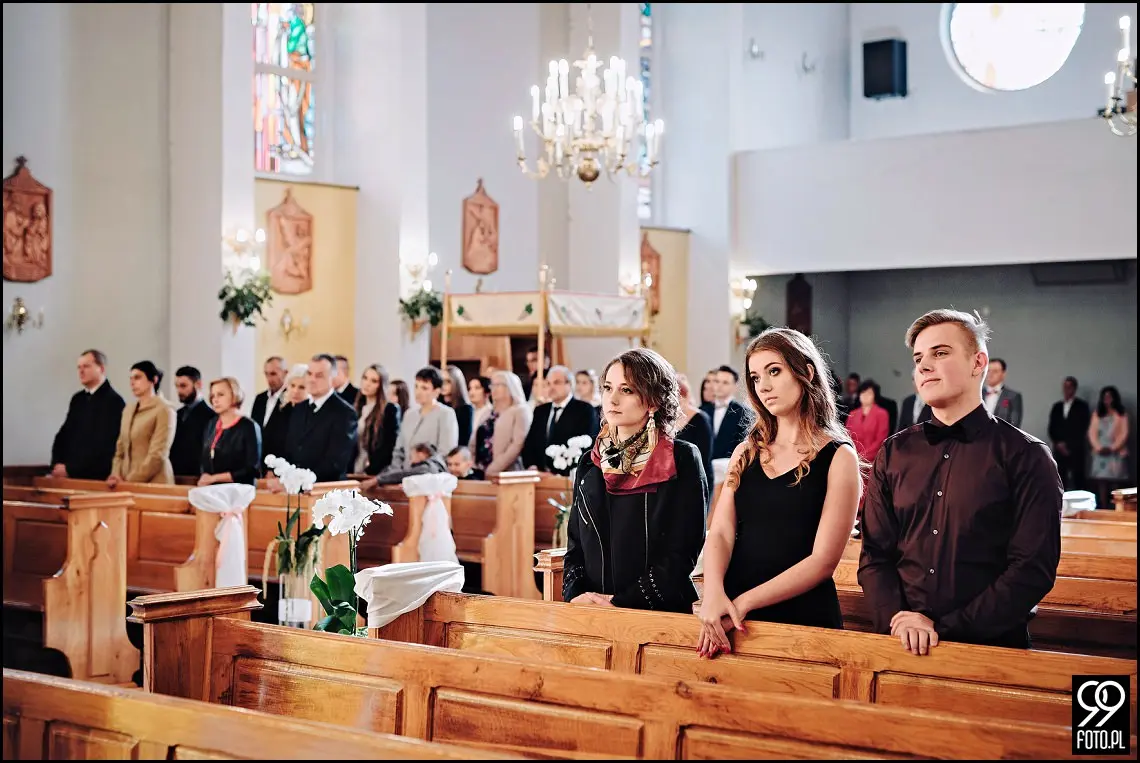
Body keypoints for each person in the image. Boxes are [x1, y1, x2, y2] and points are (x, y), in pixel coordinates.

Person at [859, 309, 1061, 654]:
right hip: (898, 645)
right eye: (918, 358)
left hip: (990, 649)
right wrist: (899, 622)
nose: (923, 366)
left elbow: (1031, 569)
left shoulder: (1027, 456)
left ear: (978, 362)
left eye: (940, 353)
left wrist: (943, 629)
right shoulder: (894, 452)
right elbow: (875, 555)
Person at [697, 329, 860, 656]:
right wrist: (714, 594)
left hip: (802, 619)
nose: (765, 386)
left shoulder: (839, 457)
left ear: (806, 372)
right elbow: (722, 531)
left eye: (775, 371)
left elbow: (822, 562)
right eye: (756, 377)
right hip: (730, 615)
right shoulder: (746, 452)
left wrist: (744, 602)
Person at [563, 348, 708, 612]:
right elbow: (575, 545)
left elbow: (682, 552)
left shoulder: (681, 458)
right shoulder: (590, 461)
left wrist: (621, 603)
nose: (612, 399)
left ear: (653, 401)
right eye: (608, 388)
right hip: (590, 609)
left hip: (656, 611)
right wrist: (577, 594)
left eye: (627, 390)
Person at [281, 354, 358, 483]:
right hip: (294, 489)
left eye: (319, 376)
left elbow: (336, 462)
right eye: (309, 374)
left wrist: (302, 479)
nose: (312, 379)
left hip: (326, 489)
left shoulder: (344, 413)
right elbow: (291, 449)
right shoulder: (299, 408)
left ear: (332, 379)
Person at [50, 349, 125, 480]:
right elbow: (64, 435)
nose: (81, 371)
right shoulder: (78, 399)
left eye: (86, 366)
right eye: (79, 367)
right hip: (68, 475)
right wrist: (57, 465)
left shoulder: (113, 402)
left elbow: (105, 446)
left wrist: (71, 469)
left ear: (101, 369)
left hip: (94, 477)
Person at [108, 361, 177, 486]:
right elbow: (120, 449)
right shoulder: (128, 410)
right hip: (124, 482)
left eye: (138, 377)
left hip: (155, 483)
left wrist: (130, 481)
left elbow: (158, 454)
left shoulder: (165, 409)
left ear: (154, 380)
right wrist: (115, 475)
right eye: (131, 378)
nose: (132, 383)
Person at [198, 377, 262, 486]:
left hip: (239, 491)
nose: (215, 400)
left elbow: (252, 469)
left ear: (234, 395)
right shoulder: (211, 424)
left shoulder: (248, 426)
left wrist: (214, 478)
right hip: (212, 489)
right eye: (213, 396)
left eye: (221, 395)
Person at [470, 371, 531, 477]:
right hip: (480, 470)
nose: (493, 388)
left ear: (511, 386)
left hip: (506, 473)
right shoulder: (488, 412)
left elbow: (517, 444)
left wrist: (494, 468)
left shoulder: (520, 411)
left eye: (498, 385)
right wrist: (472, 463)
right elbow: (474, 441)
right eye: (492, 385)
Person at [353, 364, 400, 476]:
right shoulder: (355, 408)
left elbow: (388, 447)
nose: (367, 384)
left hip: (373, 471)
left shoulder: (389, 410)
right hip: (354, 468)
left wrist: (371, 470)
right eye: (365, 378)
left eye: (374, 381)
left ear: (381, 385)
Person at [1088, 385, 1130, 510]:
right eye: (1105, 397)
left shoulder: (1122, 414)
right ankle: (1103, 505)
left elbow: (1124, 433)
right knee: (1102, 481)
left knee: (1115, 480)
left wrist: (1113, 448)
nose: (1107, 400)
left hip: (1116, 452)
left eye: (1110, 397)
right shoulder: (1097, 414)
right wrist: (1099, 447)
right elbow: (1092, 432)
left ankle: (1117, 507)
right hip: (1100, 451)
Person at [674, 374, 713, 489]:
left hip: (697, 478)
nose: (677, 406)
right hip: (676, 479)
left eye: (680, 400)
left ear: (686, 397)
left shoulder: (701, 419)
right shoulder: (669, 420)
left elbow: (705, 457)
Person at [442, 365, 476, 447]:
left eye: (447, 382)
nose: (443, 385)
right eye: (441, 381)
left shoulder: (466, 408)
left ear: (456, 383)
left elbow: (464, 439)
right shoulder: (438, 404)